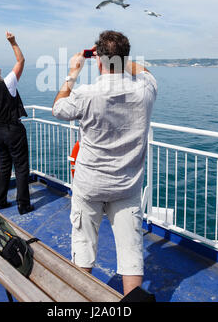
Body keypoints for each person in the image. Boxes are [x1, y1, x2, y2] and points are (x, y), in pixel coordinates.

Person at [52, 30, 157, 296]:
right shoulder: (145, 90)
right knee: (131, 253)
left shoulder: (86, 94)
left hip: (90, 185)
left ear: (98, 60)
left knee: (84, 247)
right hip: (127, 187)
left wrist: (73, 72)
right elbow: (143, 70)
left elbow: (58, 108)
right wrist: (116, 58)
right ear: (125, 58)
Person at [0, 32, 34, 215]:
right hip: (13, 130)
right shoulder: (8, 83)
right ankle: (23, 204)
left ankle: (0, 201)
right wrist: (13, 42)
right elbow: (21, 61)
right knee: (21, 167)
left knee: (3, 165)